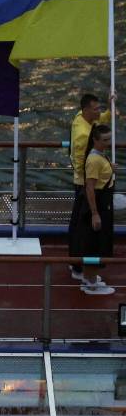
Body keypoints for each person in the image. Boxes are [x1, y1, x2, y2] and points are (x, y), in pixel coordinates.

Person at [68, 93, 114, 282]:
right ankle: (80, 268)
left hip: (89, 177)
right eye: (96, 109)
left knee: (79, 225)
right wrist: (99, 174)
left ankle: (76, 262)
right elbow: (81, 163)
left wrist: (111, 104)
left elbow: (102, 119)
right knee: (84, 228)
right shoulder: (83, 135)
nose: (99, 111)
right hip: (85, 183)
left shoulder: (83, 117)